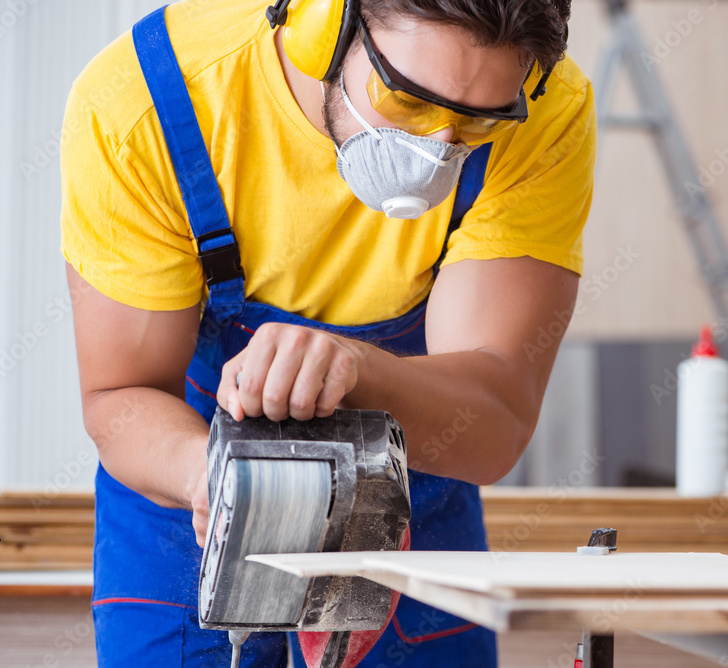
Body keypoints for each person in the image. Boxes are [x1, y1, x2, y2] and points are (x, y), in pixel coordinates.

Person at [60, 0, 595, 665]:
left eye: (477, 122)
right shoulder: (145, 105)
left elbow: (493, 418)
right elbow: (120, 398)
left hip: (412, 477)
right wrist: (219, 482)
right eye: (408, 101)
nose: (437, 150)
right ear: (322, 24)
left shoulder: (542, 106)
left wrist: (358, 371)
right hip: (186, 492)